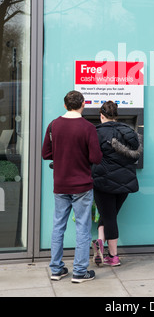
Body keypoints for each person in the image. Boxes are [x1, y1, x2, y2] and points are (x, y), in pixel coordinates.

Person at [42, 90, 103, 283]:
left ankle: (56, 269)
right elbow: (95, 158)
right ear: (83, 104)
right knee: (83, 228)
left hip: (60, 184)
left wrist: (62, 156)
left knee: (58, 226)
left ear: (64, 105)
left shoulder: (53, 125)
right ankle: (79, 272)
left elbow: (46, 153)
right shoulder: (88, 127)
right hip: (82, 186)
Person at [91, 101, 141, 267]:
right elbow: (136, 154)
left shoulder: (95, 132)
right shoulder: (128, 131)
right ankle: (100, 241)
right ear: (116, 115)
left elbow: (89, 157)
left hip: (102, 181)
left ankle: (113, 256)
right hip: (125, 182)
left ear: (101, 115)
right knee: (108, 214)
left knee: (109, 216)